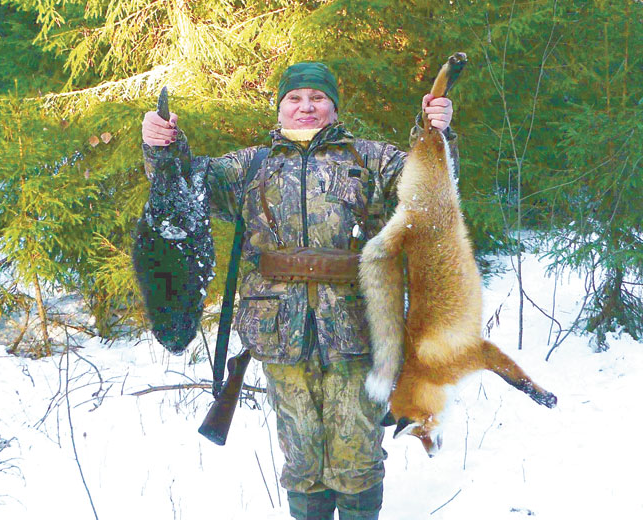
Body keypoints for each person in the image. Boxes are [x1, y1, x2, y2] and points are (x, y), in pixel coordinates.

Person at [141, 62, 457, 520]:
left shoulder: (371, 158)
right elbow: (182, 185)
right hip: (279, 335)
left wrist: (435, 135)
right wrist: (162, 146)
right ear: (280, 107)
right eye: (295, 98)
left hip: (358, 331)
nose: (306, 106)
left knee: (356, 458)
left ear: (334, 107)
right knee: (302, 460)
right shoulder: (250, 166)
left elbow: (431, 193)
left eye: (317, 98)